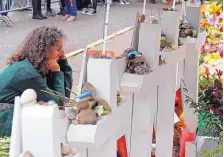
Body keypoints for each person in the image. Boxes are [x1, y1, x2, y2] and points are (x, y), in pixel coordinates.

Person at [0, 26, 73, 137]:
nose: (61, 52)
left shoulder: (36, 64)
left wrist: (63, 62)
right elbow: (59, 104)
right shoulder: (27, 73)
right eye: (58, 49)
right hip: (5, 120)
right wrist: (57, 72)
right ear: (45, 48)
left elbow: (65, 93)